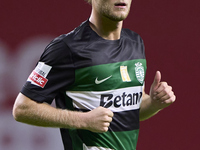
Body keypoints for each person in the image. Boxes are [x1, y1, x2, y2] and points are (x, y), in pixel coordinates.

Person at [12, 0, 176, 149]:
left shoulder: (135, 43)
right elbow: (22, 108)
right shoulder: (67, 48)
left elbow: (132, 111)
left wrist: (154, 102)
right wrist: (83, 120)